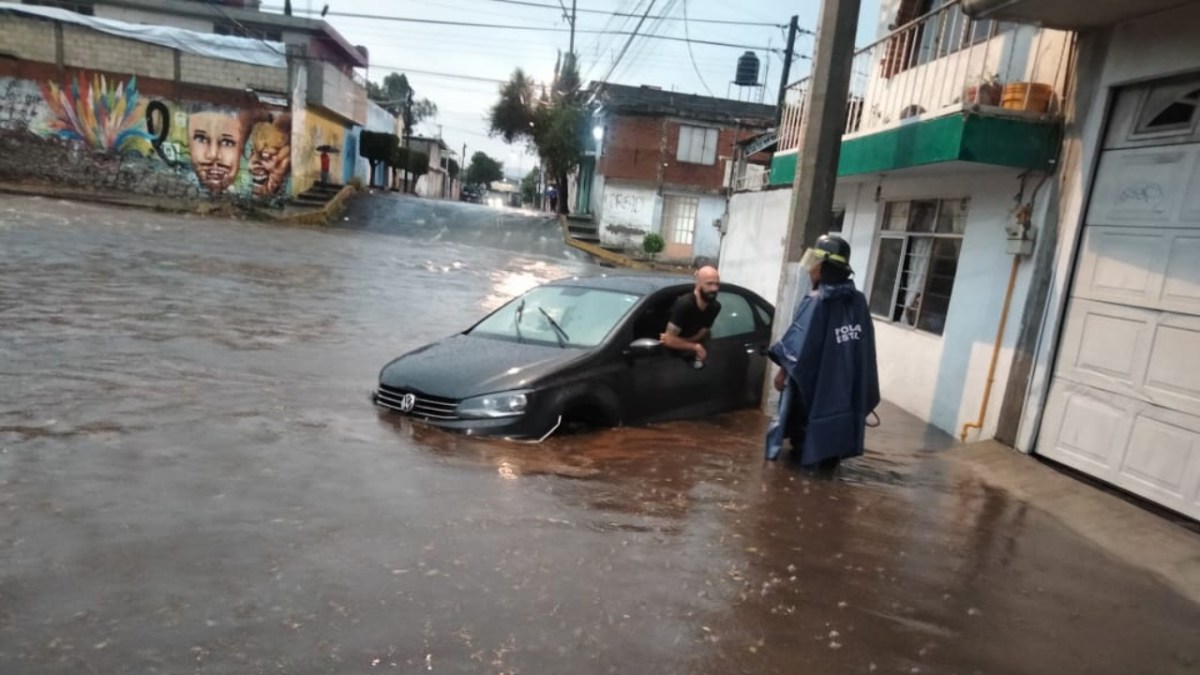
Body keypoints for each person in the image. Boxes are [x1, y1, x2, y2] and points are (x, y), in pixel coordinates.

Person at [765, 234, 880, 469]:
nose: (810, 270)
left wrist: (781, 374)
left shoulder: (816, 301)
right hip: (843, 395)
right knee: (827, 463)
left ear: (825, 267)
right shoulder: (858, 301)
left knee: (804, 459)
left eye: (814, 264)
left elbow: (795, 350)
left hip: (814, 397)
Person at [660, 265, 721, 365]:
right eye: (709, 284)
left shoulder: (715, 307)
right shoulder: (684, 304)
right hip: (671, 358)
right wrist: (695, 346)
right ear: (698, 284)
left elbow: (700, 335)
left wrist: (681, 342)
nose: (714, 288)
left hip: (692, 355)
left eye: (717, 284)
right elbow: (668, 341)